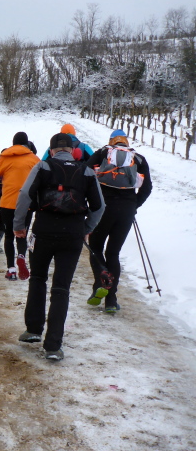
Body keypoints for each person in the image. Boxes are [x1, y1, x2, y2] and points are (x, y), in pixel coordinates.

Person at [14, 133, 105, 360]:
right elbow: (99, 206)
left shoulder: (43, 166)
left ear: (52, 150)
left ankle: (33, 330)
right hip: (72, 235)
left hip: (43, 231)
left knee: (38, 279)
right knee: (61, 287)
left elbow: (25, 194)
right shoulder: (86, 171)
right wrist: (86, 228)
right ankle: (53, 345)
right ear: (73, 151)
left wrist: (19, 225)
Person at [86, 129, 152, 313]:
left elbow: (85, 173)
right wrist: (134, 205)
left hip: (103, 208)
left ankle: (100, 283)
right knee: (113, 253)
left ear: (111, 141)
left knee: (96, 247)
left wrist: (91, 201)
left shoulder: (102, 153)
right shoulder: (138, 159)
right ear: (126, 142)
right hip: (126, 211)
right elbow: (147, 188)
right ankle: (111, 300)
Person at [0, 132, 40, 280]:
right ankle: (21, 256)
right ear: (27, 144)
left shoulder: (5, 158)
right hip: (26, 203)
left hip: (8, 203)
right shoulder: (34, 159)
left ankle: (11, 270)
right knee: (22, 234)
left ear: (13, 143)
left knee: (9, 235)